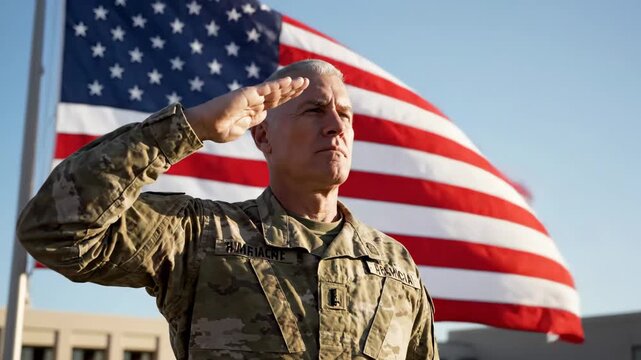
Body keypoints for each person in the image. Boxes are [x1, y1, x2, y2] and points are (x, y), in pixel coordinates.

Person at [18, 59, 439, 359]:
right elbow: (53, 231)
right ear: (263, 138)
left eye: (344, 115)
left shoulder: (395, 265)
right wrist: (192, 127)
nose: (336, 125)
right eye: (314, 110)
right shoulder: (201, 236)